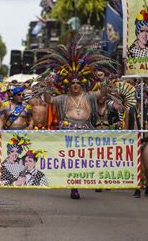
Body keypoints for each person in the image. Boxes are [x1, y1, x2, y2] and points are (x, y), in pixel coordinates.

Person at [37, 38, 115, 199]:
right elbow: (48, 100)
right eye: (72, 82)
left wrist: (103, 80)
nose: (75, 84)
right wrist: (47, 87)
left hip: (86, 129)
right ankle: (74, 187)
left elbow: (103, 93)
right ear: (68, 84)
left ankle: (84, 181)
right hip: (68, 130)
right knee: (72, 160)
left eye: (78, 82)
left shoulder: (90, 96)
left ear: (82, 84)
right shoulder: (63, 98)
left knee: (84, 159)